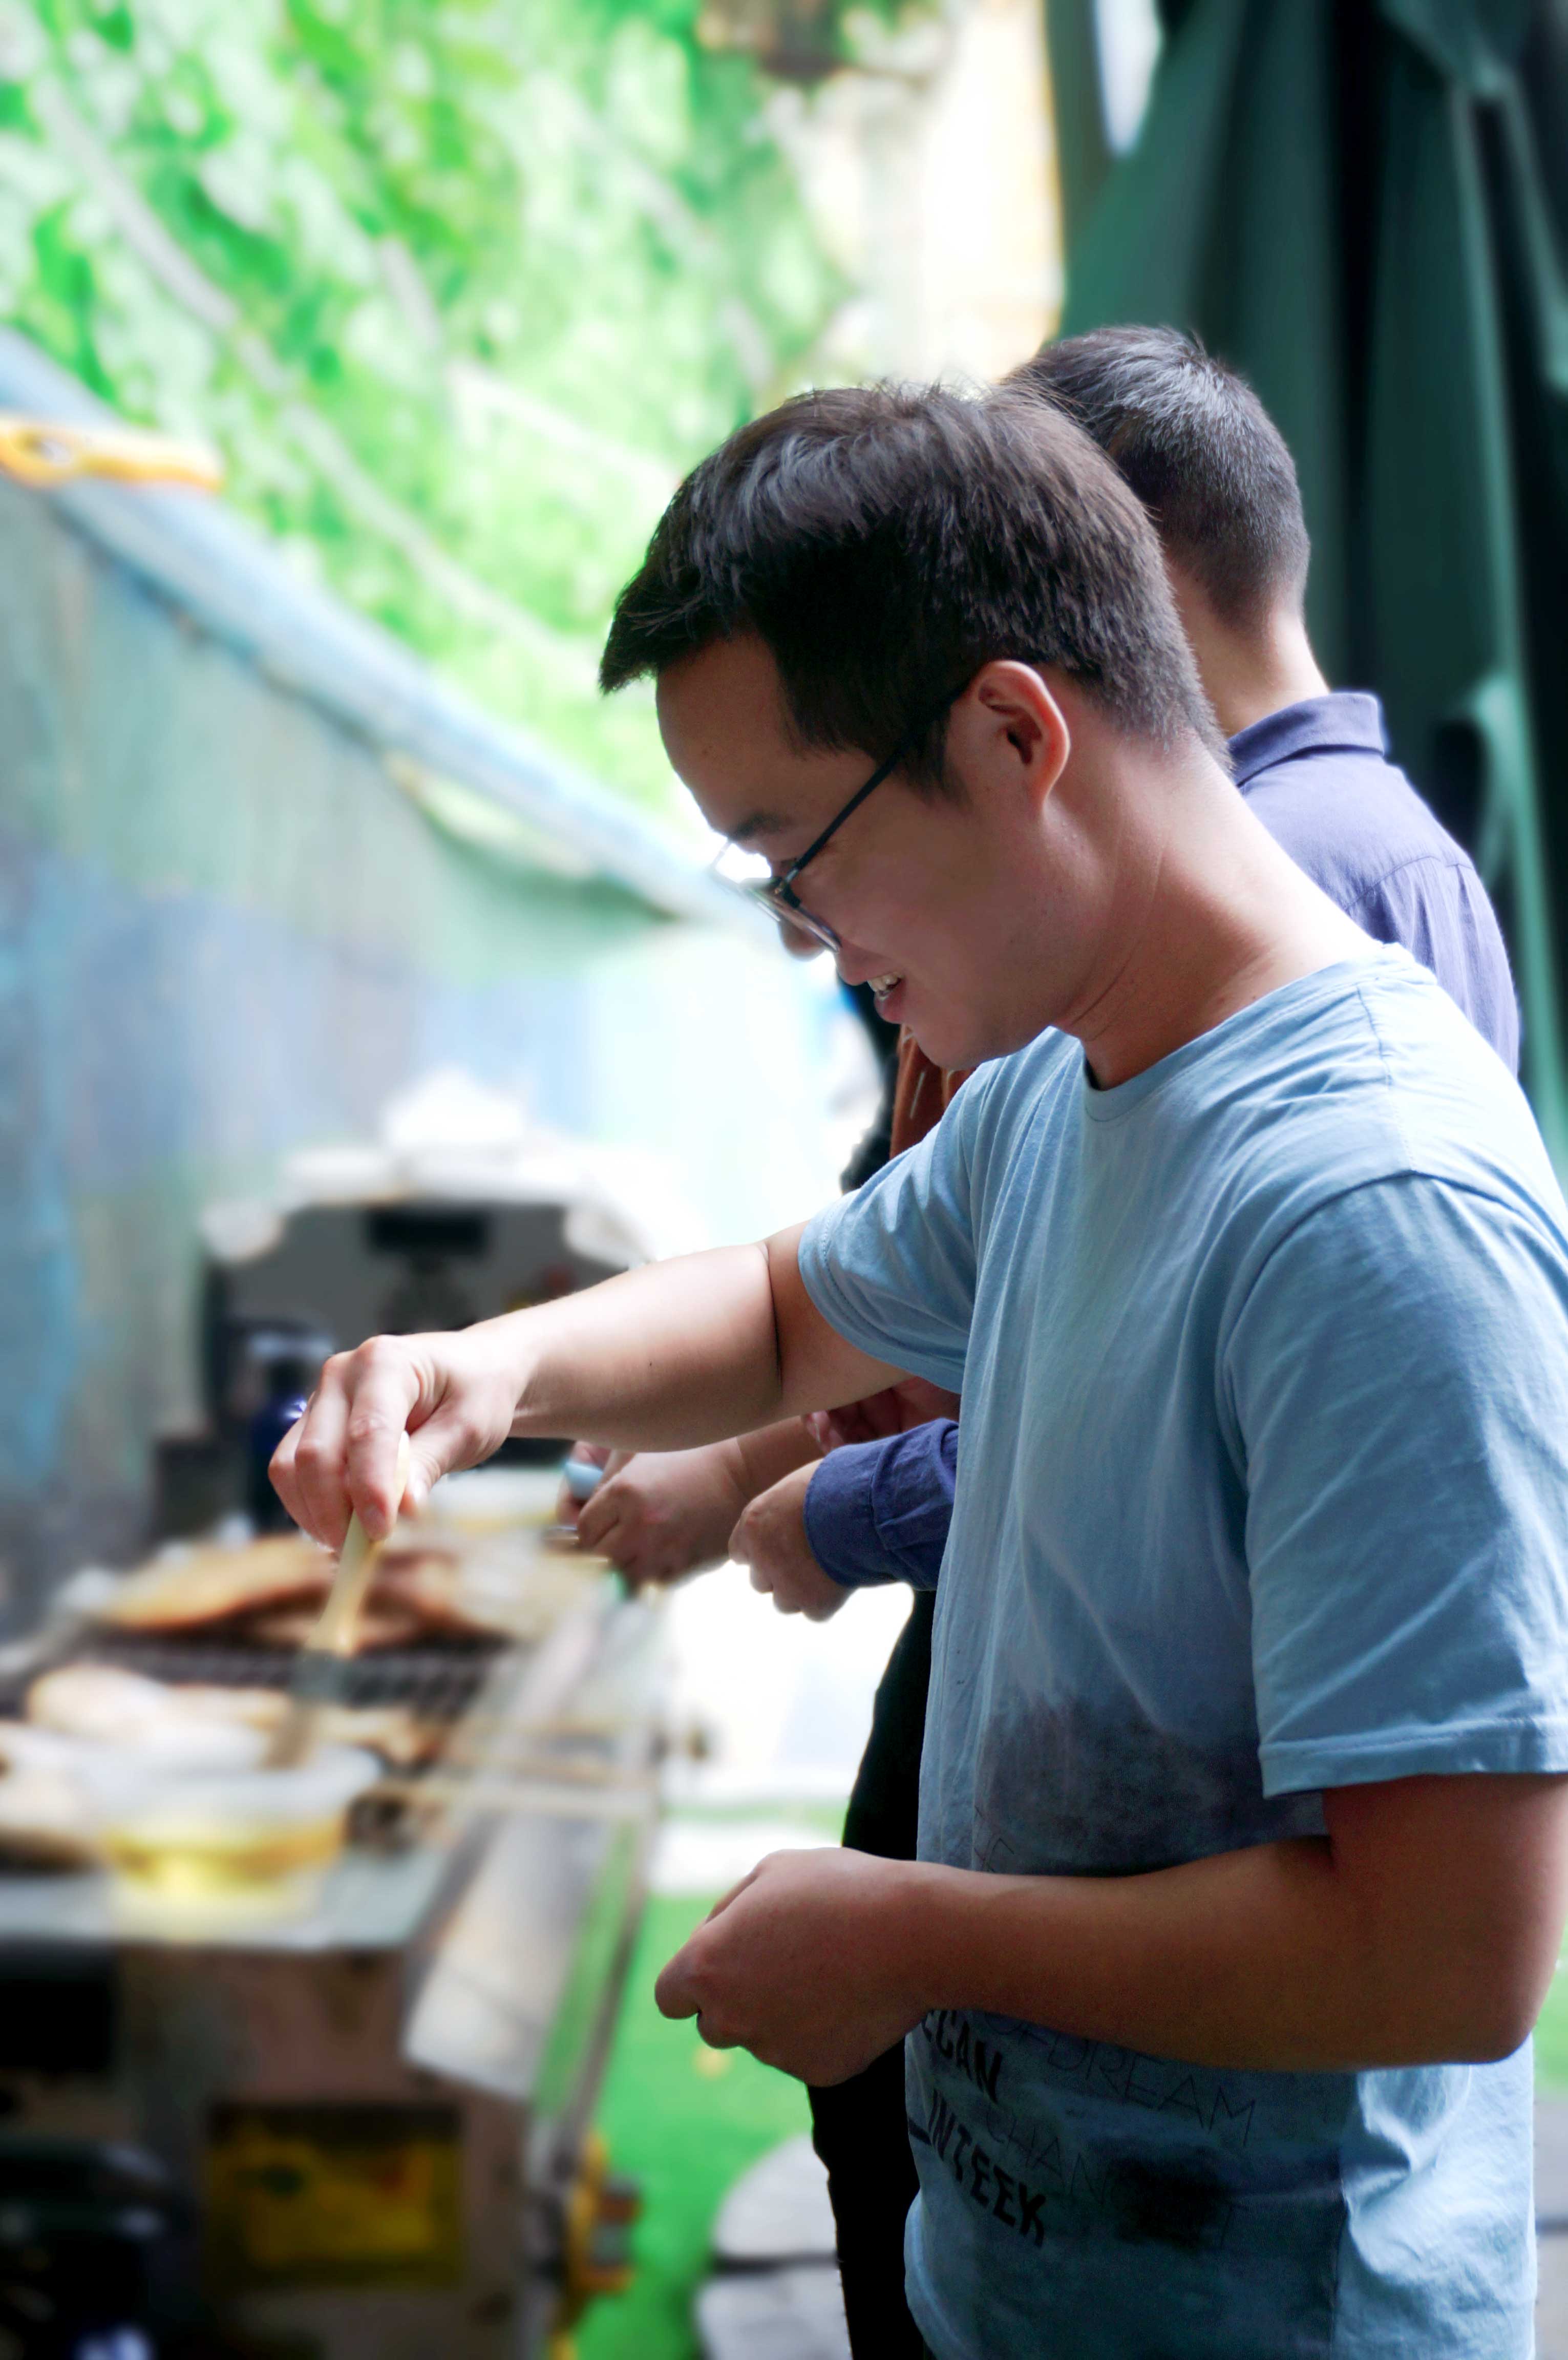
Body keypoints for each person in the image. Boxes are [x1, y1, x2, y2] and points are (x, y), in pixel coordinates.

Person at [273, 383, 1568, 2358]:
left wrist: (914, 1934)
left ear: (1011, 733)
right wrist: (486, 1368)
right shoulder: (1069, 1078)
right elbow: (800, 1309)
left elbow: (1451, 1957)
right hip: (1024, 2281)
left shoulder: (1368, 1207)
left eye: (798, 856)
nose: (806, 942)